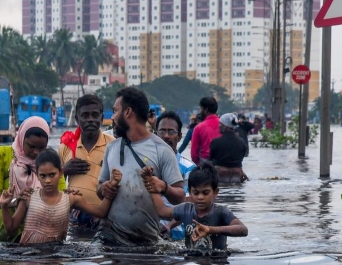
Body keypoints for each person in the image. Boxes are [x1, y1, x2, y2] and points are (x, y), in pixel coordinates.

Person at [96, 86, 185, 246]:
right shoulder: (112, 147)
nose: (113, 117)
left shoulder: (162, 150)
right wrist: (105, 188)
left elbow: (180, 197)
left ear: (128, 112)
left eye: (115, 111)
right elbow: (100, 189)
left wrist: (164, 187)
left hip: (145, 242)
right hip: (109, 239)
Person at [0, 148, 122, 244]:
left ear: (61, 173)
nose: (48, 180)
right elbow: (11, 229)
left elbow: (101, 212)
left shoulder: (70, 198)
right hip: (29, 257)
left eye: (52, 175)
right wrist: (4, 206)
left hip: (56, 257)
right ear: (37, 175)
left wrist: (111, 186)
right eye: (43, 176)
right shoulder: (29, 197)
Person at [0, 117, 65, 242]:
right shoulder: (3, 155)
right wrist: (15, 201)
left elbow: (62, 196)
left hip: (37, 234)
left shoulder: (51, 161)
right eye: (31, 146)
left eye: (41, 148)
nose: (36, 153)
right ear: (21, 138)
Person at [145, 161, 248, 252]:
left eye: (205, 193)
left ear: (215, 192)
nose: (200, 197)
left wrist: (210, 230)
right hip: (191, 263)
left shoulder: (221, 212)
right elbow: (162, 211)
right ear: (189, 192)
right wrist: (151, 183)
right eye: (196, 193)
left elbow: (243, 229)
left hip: (217, 262)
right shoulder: (186, 209)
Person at [58, 94, 114, 230]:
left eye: (95, 115)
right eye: (85, 115)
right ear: (77, 119)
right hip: (73, 218)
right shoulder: (66, 146)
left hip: (105, 217)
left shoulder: (113, 145)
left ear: (101, 118)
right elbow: (51, 182)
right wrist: (64, 170)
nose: (90, 120)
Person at [155, 111, 197, 240]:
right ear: (155, 135)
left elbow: (189, 206)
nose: (166, 136)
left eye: (171, 132)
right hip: (150, 233)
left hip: (178, 236)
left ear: (179, 137)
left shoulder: (189, 168)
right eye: (162, 131)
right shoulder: (147, 165)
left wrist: (169, 227)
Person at [209, 113, 248, 183]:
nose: (218, 126)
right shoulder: (242, 142)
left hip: (220, 175)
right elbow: (240, 160)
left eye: (220, 124)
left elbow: (211, 159)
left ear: (226, 126)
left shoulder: (216, 142)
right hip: (237, 175)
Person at [190, 96, 221, 165]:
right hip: (223, 164)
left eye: (201, 108)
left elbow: (194, 154)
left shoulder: (199, 128)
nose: (200, 111)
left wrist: (199, 164)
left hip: (205, 165)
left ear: (206, 109)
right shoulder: (224, 125)